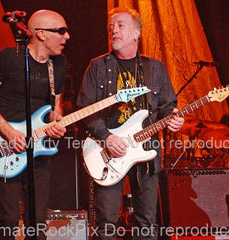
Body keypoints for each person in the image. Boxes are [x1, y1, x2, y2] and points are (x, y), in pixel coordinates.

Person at [77, 7, 184, 240]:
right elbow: (84, 110)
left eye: (120, 25)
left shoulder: (155, 67)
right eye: (111, 27)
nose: (114, 30)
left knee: (146, 222)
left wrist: (174, 118)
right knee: (107, 223)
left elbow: (168, 106)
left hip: (145, 151)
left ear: (137, 33)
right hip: (107, 150)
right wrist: (107, 137)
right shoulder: (97, 67)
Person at [0, 9, 70, 240]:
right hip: (6, 147)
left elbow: (56, 107)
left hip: (39, 148)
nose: (67, 37)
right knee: (7, 219)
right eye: (61, 31)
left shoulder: (58, 64)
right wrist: (8, 133)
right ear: (41, 34)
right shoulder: (9, 57)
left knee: (37, 221)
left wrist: (57, 122)